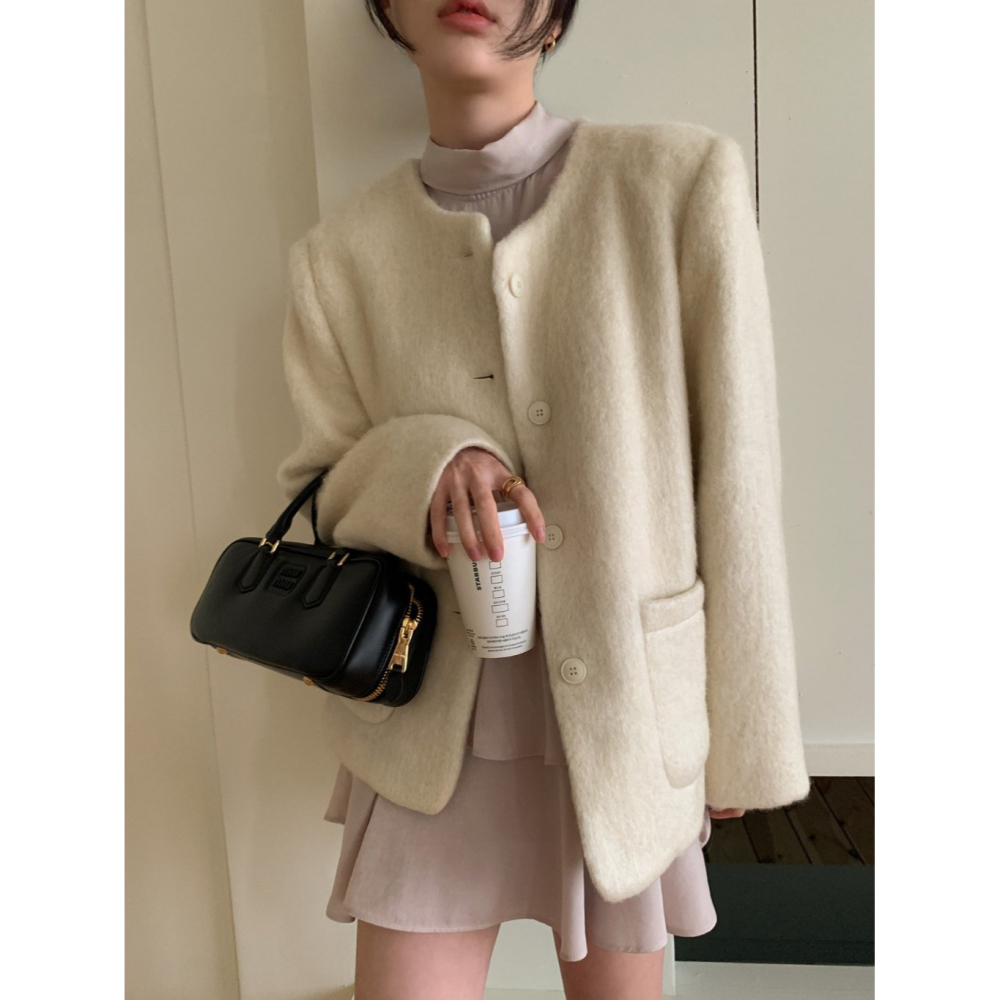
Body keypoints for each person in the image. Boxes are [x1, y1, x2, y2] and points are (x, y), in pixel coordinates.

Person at [275, 2, 812, 998]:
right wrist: (426, 464)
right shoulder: (339, 257)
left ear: (555, 19)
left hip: (626, 717)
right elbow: (318, 487)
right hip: (427, 734)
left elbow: (738, 474)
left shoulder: (676, 182)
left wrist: (745, 739)